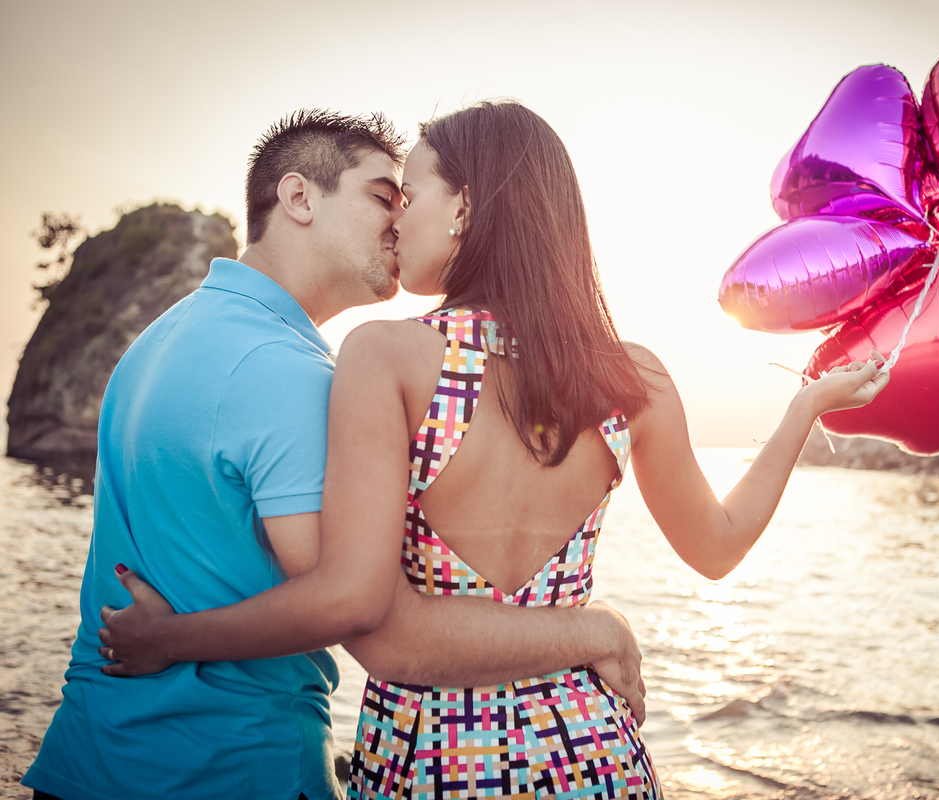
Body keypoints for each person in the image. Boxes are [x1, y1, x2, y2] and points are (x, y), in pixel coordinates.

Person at [98, 101, 889, 799]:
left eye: (410, 194)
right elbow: (717, 551)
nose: (395, 220)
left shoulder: (387, 357)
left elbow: (367, 614)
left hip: (434, 757)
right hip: (592, 753)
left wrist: (170, 638)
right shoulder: (634, 376)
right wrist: (804, 410)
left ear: (465, 209)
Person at [22, 110, 645, 800]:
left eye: (408, 199)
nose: (399, 220)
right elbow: (368, 615)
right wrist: (598, 631)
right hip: (227, 768)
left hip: (87, 757)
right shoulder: (289, 373)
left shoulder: (155, 345)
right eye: (384, 195)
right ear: (299, 199)